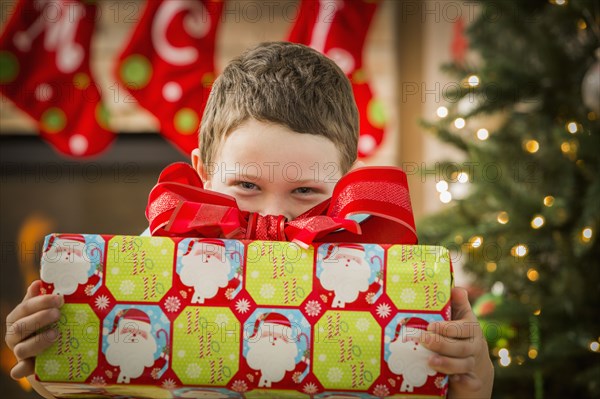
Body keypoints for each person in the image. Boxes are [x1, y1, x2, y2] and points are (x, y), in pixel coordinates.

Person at [5, 42, 494, 398]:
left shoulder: (381, 273)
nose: (273, 216)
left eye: (305, 191)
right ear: (202, 174)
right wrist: (48, 358)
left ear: (344, 185)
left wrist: (470, 381)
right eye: (246, 186)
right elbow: (85, 380)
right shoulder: (155, 249)